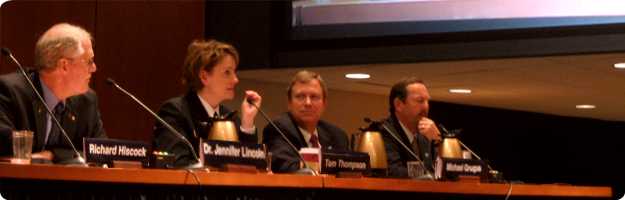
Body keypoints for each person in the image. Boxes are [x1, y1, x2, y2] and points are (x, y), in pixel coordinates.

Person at [0, 23, 106, 163]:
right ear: (64, 66)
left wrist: (53, 155)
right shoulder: (10, 92)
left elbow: (102, 152)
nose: (94, 68)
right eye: (89, 61)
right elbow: (5, 147)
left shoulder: (87, 101)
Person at [153, 39, 262, 167]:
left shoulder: (230, 118)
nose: (235, 79)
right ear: (204, 77)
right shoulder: (175, 112)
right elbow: (177, 163)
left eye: (234, 72)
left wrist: (247, 123)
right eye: (227, 72)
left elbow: (250, 165)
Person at [263, 70, 349, 173]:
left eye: (314, 97)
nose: (308, 103)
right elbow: (286, 167)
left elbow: (351, 170)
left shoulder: (338, 136)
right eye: (300, 97)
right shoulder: (278, 129)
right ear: (289, 103)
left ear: (324, 103)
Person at [382, 77, 441, 178]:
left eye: (427, 101)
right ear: (398, 104)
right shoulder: (383, 132)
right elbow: (393, 172)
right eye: (420, 101)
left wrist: (438, 141)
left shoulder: (427, 133)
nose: (426, 106)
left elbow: (446, 171)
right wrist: (430, 174)